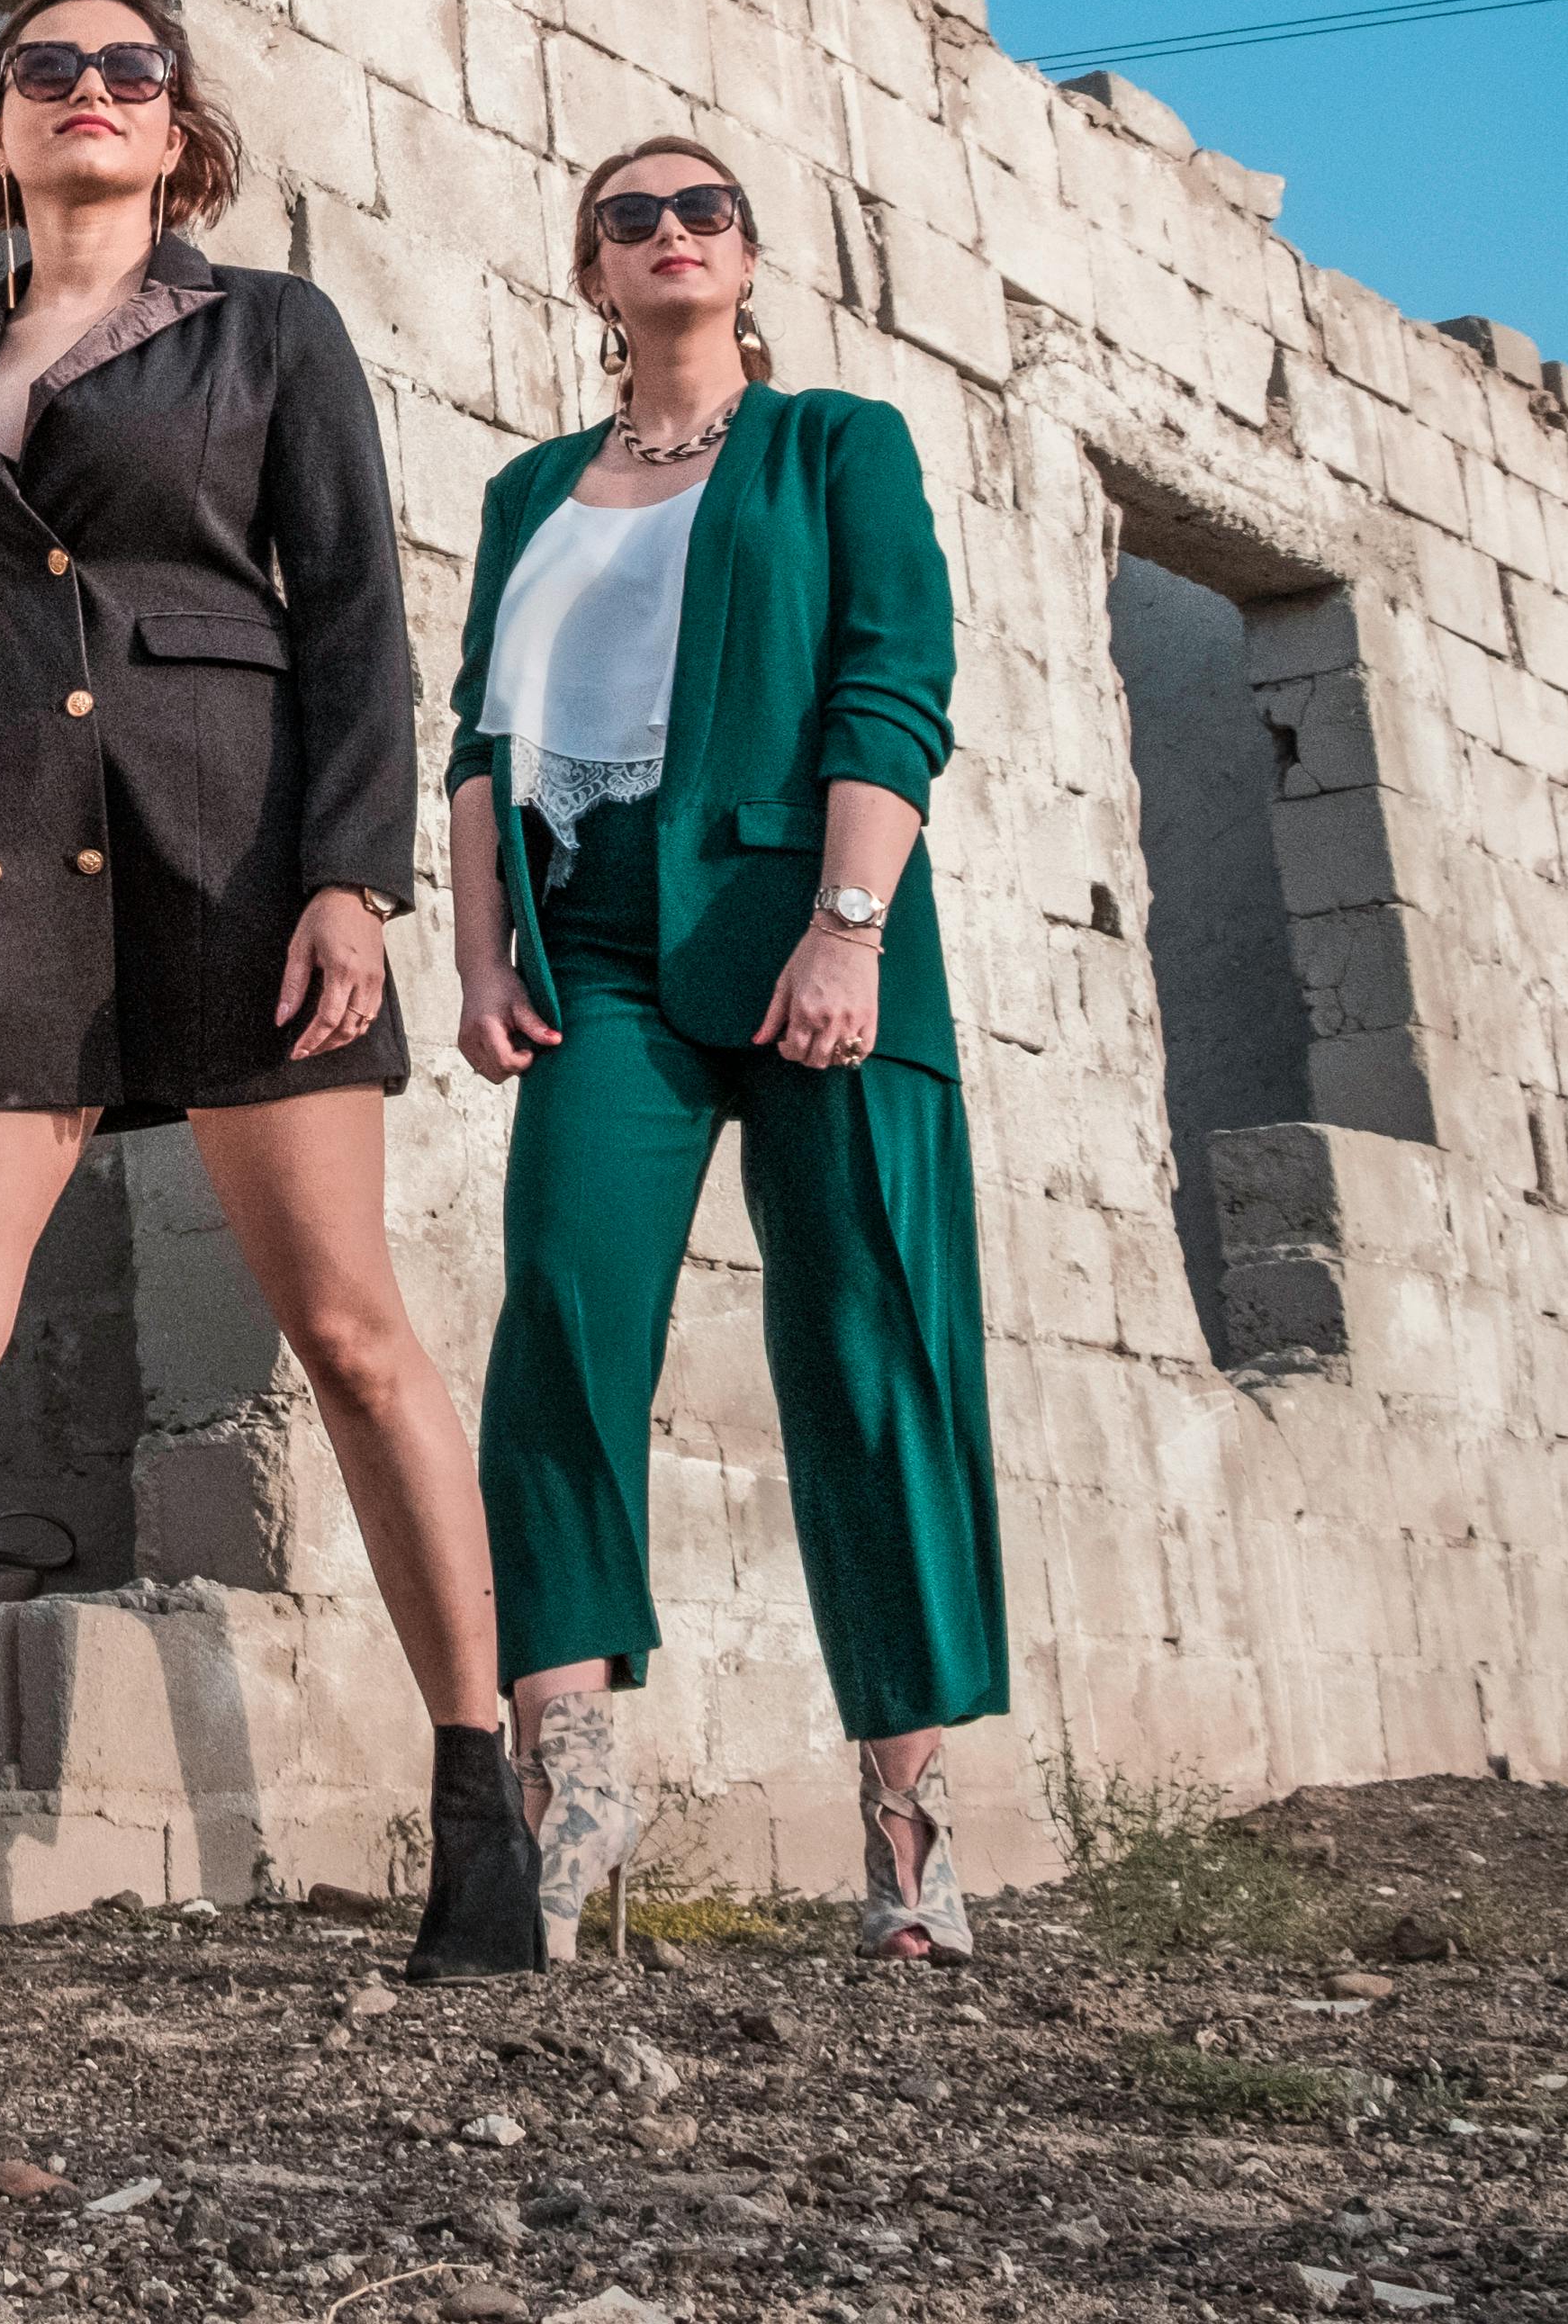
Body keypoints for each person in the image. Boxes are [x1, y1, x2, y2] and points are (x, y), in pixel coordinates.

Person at [0, 0, 540, 1992]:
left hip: (234, 859)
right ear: (0, 128)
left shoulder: (267, 329)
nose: (92, 90)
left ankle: (485, 1795)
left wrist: (351, 882)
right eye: (52, 68)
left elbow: (362, 612)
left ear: (178, 129)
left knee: (351, 1327)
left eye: (131, 68)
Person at [445, 137, 1007, 1964]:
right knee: (561, 1307)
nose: (670, 234)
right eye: (633, 217)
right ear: (593, 270)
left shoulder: (840, 443)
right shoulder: (532, 483)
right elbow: (477, 740)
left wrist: (849, 927)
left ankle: (909, 1816)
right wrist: (477, 947)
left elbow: (889, 677)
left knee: (868, 1341)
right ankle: (567, 1786)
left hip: (812, 913)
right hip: (594, 939)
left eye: (703, 211)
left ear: (749, 260)